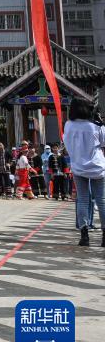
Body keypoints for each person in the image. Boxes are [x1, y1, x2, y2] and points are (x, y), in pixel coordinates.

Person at [63, 99, 105, 246]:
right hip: (96, 166)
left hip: (78, 167)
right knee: (101, 200)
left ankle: (84, 235)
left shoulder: (68, 125)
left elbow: (66, 144)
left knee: (82, 199)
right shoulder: (95, 126)